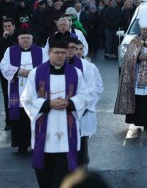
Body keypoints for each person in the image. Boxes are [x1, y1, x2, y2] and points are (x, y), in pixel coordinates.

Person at [20, 34, 90, 188]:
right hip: (44, 134)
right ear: (49, 53)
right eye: (56, 52)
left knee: (63, 177)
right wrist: (48, 104)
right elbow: (26, 98)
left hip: (67, 135)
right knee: (45, 177)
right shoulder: (36, 73)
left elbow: (85, 96)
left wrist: (70, 103)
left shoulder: (75, 73)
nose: (60, 56)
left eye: (63, 53)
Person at [0, 25, 48, 152]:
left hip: (35, 91)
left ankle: (35, 144)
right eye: (22, 38)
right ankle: (21, 144)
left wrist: (32, 72)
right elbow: (3, 65)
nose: (25, 40)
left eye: (28, 38)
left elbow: (47, 66)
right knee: (19, 118)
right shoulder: (10, 51)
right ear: (18, 39)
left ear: (32, 39)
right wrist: (18, 71)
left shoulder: (41, 51)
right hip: (17, 90)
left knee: (35, 116)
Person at [65, 38, 104, 167]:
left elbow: (95, 87)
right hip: (62, 110)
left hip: (82, 109)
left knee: (82, 139)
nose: (76, 51)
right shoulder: (57, 65)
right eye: (72, 48)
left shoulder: (88, 66)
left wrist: (84, 104)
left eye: (78, 49)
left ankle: (82, 164)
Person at [0, 18, 19, 130]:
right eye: (5, 26)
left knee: (16, 96)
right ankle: (8, 121)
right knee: (7, 97)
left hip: (17, 71)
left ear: (13, 26)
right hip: (4, 72)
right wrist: (3, 38)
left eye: (9, 26)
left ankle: (17, 119)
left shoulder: (18, 37)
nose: (7, 28)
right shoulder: (0, 37)